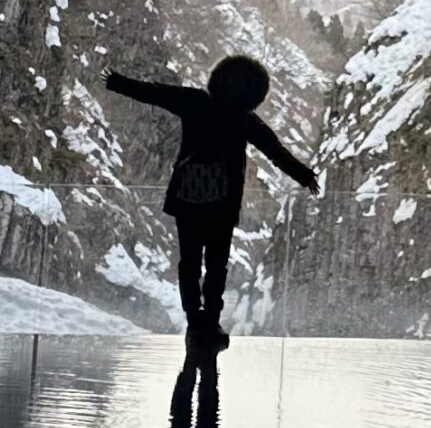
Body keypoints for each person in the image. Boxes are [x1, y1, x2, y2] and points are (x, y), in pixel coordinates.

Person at [106, 54, 318, 349]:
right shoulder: (245, 120)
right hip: (223, 203)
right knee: (216, 265)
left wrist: (117, 83)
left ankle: (194, 320)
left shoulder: (194, 101)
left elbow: (153, 93)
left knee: (189, 263)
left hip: (187, 198)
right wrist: (304, 176)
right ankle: (212, 322)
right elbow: (275, 150)